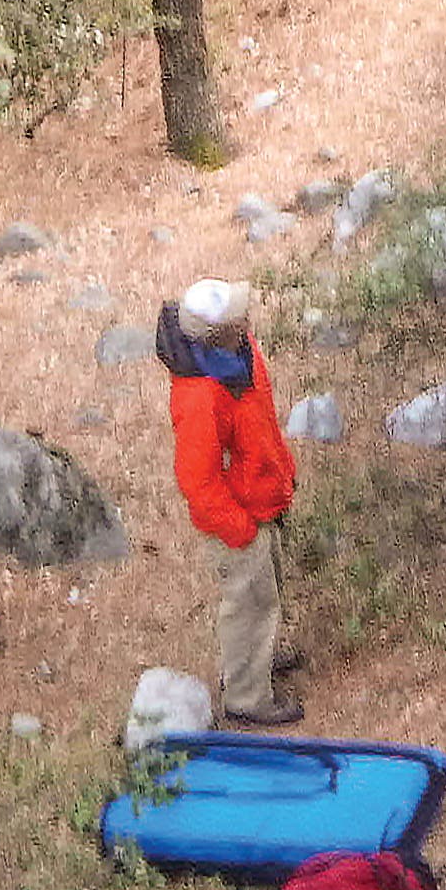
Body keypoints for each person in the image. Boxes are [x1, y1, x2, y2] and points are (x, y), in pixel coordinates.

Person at [158, 277, 299, 726]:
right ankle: (246, 696)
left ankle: (256, 661)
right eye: (238, 316)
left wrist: (282, 473)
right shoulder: (199, 396)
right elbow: (197, 482)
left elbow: (262, 424)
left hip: (263, 501)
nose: (247, 318)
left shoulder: (241, 354)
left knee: (267, 593)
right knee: (249, 603)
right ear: (218, 334)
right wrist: (239, 528)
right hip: (237, 521)